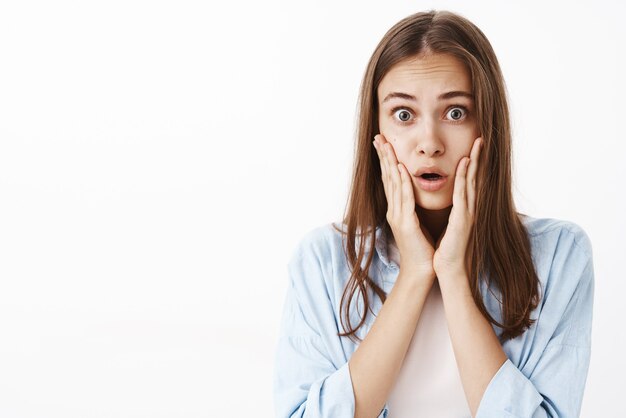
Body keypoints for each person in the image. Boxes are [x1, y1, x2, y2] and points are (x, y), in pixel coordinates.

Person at [273, 9, 594, 418]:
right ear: (377, 131)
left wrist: (454, 274)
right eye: (404, 115)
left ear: (488, 127)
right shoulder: (321, 261)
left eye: (456, 112)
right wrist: (414, 274)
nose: (429, 143)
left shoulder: (559, 256)